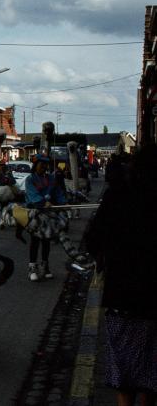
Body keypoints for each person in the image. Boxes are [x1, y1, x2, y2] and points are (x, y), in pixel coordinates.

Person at [84, 144, 157, 406]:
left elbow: (92, 239)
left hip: (122, 296)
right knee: (151, 372)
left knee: (124, 370)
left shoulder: (118, 196)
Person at [24, 154, 66, 282]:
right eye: (41, 165)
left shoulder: (51, 178)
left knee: (47, 240)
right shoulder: (30, 179)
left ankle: (45, 266)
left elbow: (57, 192)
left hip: (48, 213)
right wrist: (42, 202)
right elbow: (32, 195)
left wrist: (63, 203)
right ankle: (32, 268)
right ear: (35, 166)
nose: (43, 167)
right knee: (35, 240)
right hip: (35, 213)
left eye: (45, 165)